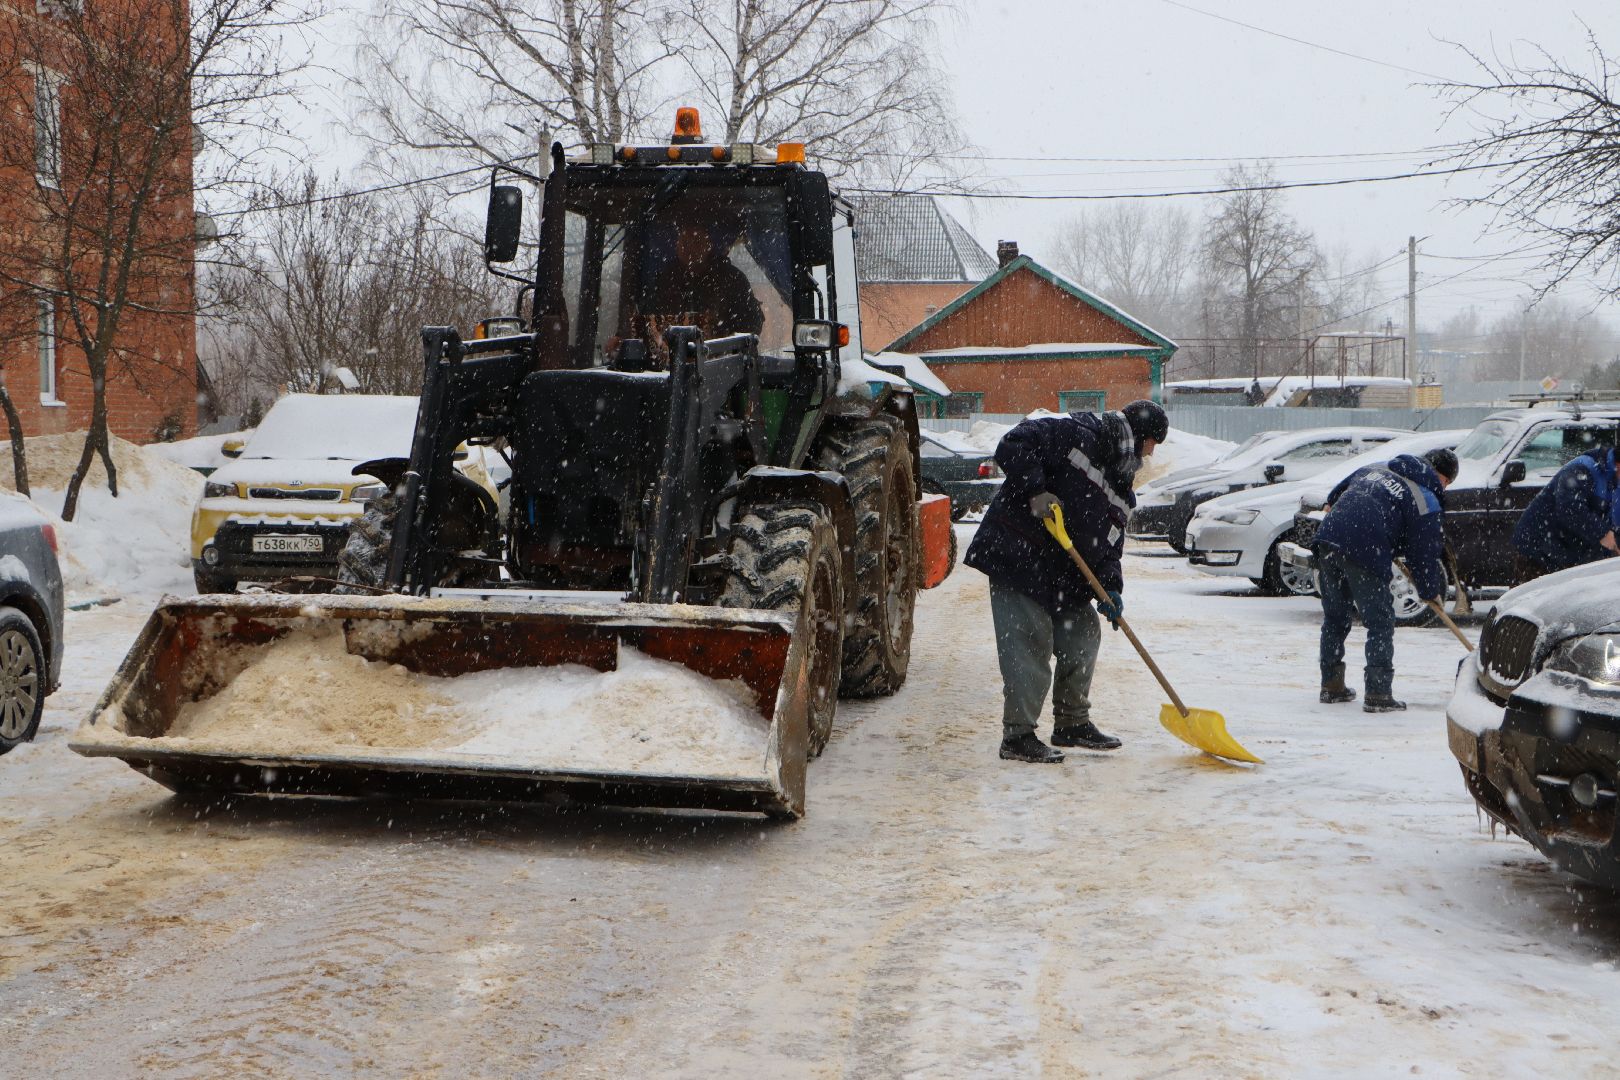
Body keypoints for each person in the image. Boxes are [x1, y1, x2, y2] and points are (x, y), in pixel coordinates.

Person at [964, 399, 1169, 763]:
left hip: (1063, 573)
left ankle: (1072, 723)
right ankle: (1018, 736)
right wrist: (1036, 490)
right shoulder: (1076, 433)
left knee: (1083, 635)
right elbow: (1013, 443)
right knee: (1029, 644)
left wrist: (1111, 589)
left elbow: (1108, 547)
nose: (1151, 454)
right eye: (1152, 443)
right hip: (1020, 555)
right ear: (1138, 436)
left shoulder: (1121, 491)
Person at [1314, 447, 1455, 713]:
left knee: (1335, 617)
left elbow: (1336, 493)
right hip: (1366, 547)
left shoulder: (1379, 467)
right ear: (1441, 476)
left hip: (1328, 537)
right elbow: (1423, 554)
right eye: (1446, 483)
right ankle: (1378, 694)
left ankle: (1331, 686)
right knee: (1380, 622)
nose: (1444, 489)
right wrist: (1429, 590)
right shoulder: (1425, 498)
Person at [1510, 444, 1620, 581]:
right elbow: (1569, 508)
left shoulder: (1614, 482)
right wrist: (1602, 533)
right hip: (1538, 550)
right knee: (1532, 601)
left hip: (1568, 556)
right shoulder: (1584, 468)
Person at [639, 220, 764, 338]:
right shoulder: (665, 280)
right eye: (685, 243)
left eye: (697, 242)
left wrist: (722, 336)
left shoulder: (732, 278)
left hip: (719, 356)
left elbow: (752, 325)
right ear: (677, 246)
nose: (690, 249)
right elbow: (647, 321)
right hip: (670, 356)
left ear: (708, 245)